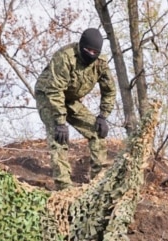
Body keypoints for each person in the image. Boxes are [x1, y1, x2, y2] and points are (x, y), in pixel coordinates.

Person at [34, 27, 116, 190]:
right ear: (81, 46)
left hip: (70, 98)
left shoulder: (101, 63)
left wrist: (103, 116)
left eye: (95, 52)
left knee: (97, 130)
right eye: (88, 50)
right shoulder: (65, 57)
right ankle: (64, 186)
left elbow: (110, 90)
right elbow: (54, 90)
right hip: (48, 95)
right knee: (59, 136)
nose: (91, 54)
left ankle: (99, 181)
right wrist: (60, 122)